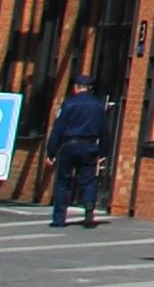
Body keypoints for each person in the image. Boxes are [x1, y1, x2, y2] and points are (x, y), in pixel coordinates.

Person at [46, 78, 112, 228]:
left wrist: (51, 152)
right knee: (88, 180)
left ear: (76, 87)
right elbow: (104, 130)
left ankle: (59, 219)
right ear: (90, 88)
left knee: (62, 182)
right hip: (89, 145)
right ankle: (89, 206)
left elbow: (58, 129)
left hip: (69, 145)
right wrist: (103, 152)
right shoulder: (98, 106)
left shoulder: (69, 104)